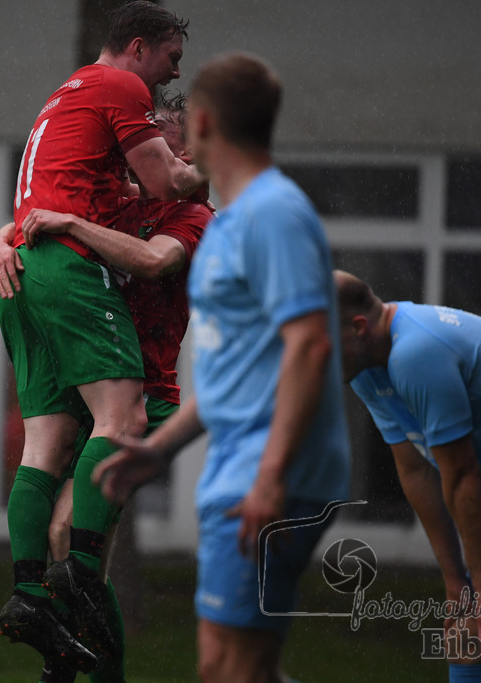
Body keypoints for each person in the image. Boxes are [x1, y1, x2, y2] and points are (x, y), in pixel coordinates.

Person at [94, 53, 351, 683]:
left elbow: (310, 346)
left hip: (269, 475)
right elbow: (237, 377)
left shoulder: (273, 213)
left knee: (237, 668)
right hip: (238, 469)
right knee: (224, 668)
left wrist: (271, 477)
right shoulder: (230, 222)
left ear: (203, 123)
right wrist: (160, 450)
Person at [0, 0, 205, 674]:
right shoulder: (120, 106)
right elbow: (56, 208)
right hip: (96, 358)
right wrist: (2, 235)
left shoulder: (191, 212)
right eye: (171, 57)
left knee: (66, 504)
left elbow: (152, 260)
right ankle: (44, 607)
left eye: (163, 145)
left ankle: (76, 636)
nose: (148, 153)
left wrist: (53, 227)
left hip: (150, 390)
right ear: (139, 47)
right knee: (62, 500)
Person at [335, 270, 481, 682]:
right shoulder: (365, 366)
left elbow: (462, 473)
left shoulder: (415, 353)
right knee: (465, 642)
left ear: (358, 327)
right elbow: (415, 469)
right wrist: (457, 582)